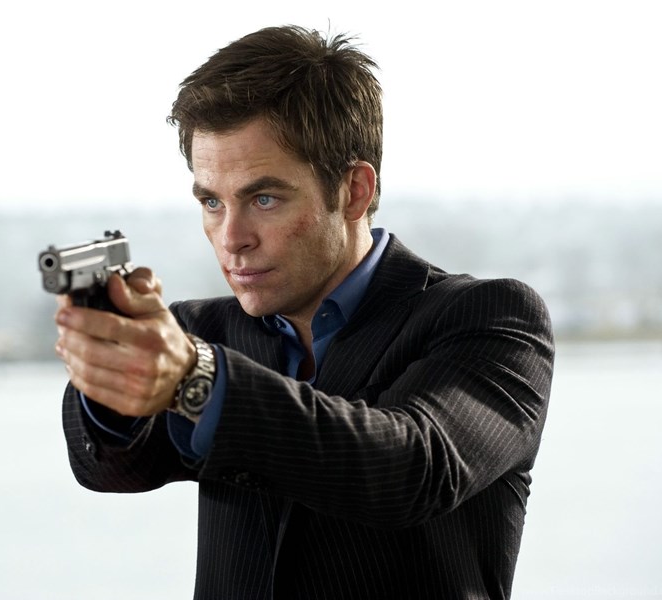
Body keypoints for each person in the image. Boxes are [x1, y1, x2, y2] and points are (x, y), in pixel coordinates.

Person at [55, 24, 555, 600]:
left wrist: (195, 379)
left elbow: (412, 469)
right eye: (212, 201)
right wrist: (111, 373)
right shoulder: (199, 331)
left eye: (264, 198)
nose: (232, 237)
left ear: (354, 191)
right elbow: (110, 468)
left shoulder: (492, 318)